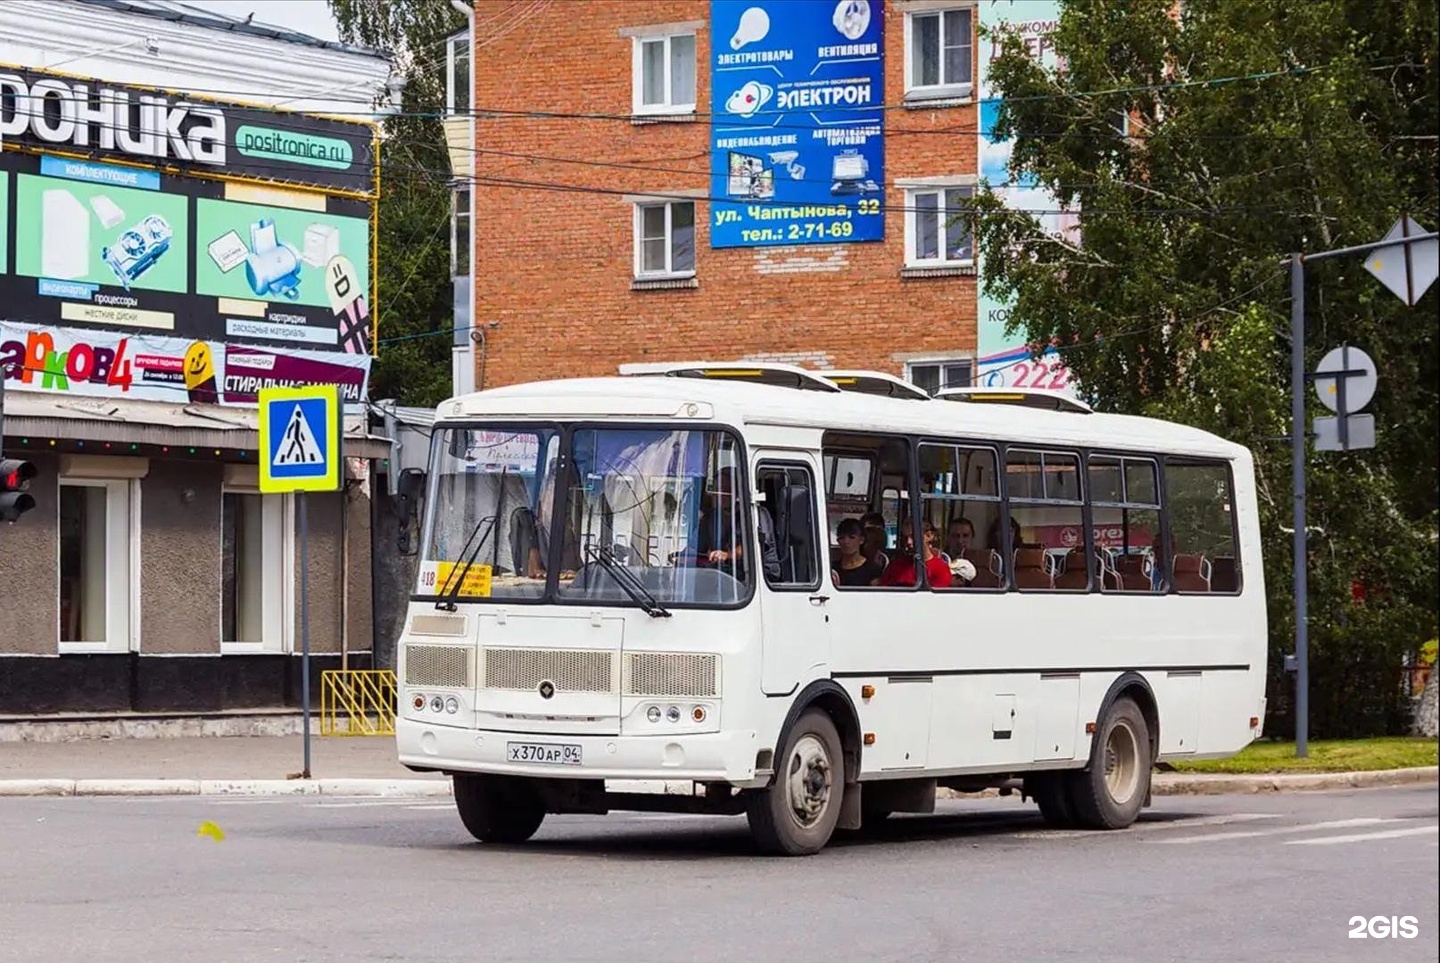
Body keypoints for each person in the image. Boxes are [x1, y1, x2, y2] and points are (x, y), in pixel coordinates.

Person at [878, 518, 952, 588]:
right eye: (905, 538)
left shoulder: (940, 569)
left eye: (913, 537)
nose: (908, 542)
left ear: (929, 536)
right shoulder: (895, 565)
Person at [830, 517, 884, 587]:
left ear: (861, 540)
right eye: (842, 538)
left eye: (852, 537)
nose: (846, 542)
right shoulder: (832, 569)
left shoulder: (872, 570)